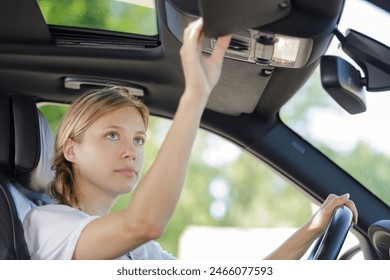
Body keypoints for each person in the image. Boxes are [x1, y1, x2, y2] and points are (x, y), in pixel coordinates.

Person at [23, 18, 357, 260]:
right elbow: (142, 224)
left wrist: (313, 228)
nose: (131, 152)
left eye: (139, 140)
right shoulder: (49, 225)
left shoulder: (137, 252)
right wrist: (195, 95)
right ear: (71, 149)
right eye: (112, 135)